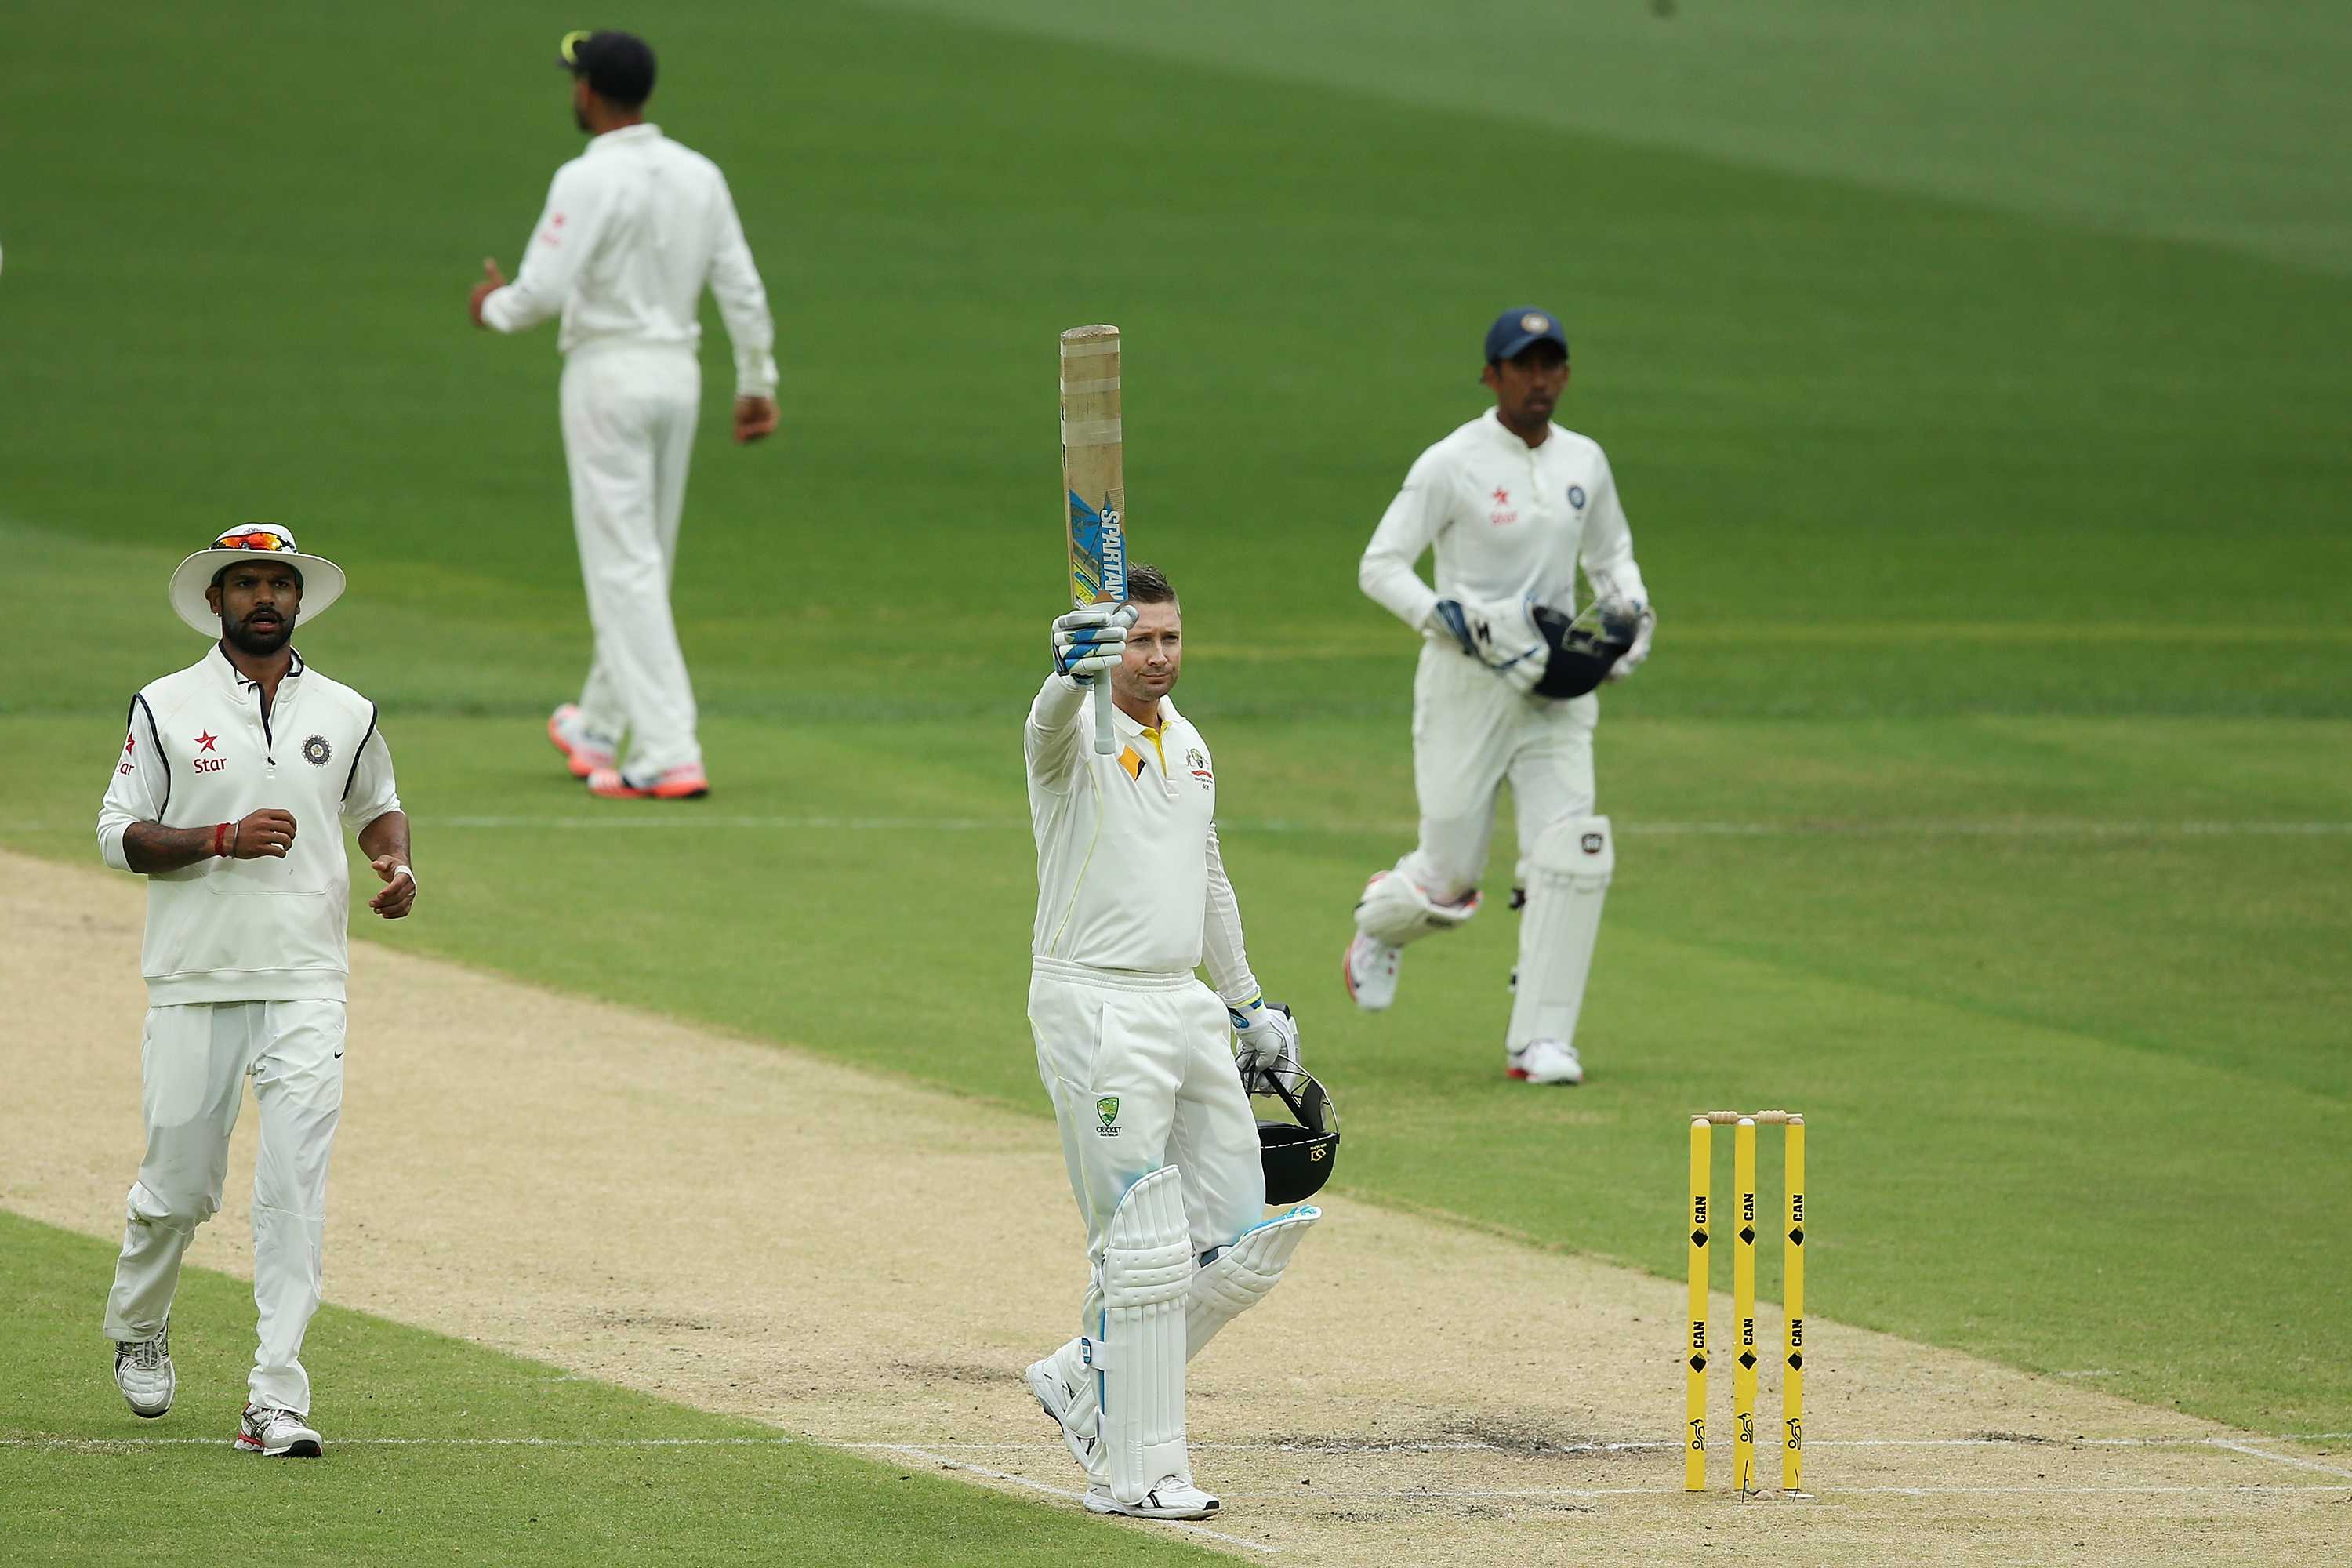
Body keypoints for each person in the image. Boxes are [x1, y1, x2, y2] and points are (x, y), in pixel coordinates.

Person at [96, 524, 415, 1457]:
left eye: (279, 582)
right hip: (195, 978)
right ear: (215, 601)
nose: (264, 597)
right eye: (247, 585)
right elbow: (118, 834)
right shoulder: (164, 704)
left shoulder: (348, 710)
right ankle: (140, 1319)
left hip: (308, 980)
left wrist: (394, 859)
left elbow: (376, 803)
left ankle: (274, 1395)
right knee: (179, 1190)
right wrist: (218, 839)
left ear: (299, 599)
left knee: (293, 1188)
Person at [1020, 564, 1319, 1523]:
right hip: (1096, 1004)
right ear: (1112, 648)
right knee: (1139, 1247)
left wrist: (1248, 1005)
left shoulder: (1188, 742)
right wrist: (1068, 673)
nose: (1160, 657)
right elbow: (1044, 728)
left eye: (1171, 638)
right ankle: (1135, 1471)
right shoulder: (1073, 741)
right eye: (1141, 640)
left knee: (1242, 1238)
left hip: (1183, 1002)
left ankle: (1083, 1371)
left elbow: (1211, 874)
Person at [1343, 307, 1657, 1087]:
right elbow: (1380, 564)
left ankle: (1541, 1039)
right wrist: (1440, 616)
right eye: (1524, 365)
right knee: (1449, 874)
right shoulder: (1453, 462)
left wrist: (1629, 625)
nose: (1540, 378)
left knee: (1571, 852)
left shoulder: (1586, 460)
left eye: (1552, 364)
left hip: (1554, 687)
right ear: (1493, 375)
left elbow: (1612, 560)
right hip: (1465, 684)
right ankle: (1381, 923)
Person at [468, 28, 779, 800]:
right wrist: (757, 378)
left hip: (608, 375)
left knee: (625, 565)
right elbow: (738, 281)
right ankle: (598, 724)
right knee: (645, 559)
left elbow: (539, 292)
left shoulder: (585, 177)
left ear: (589, 92)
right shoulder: (698, 174)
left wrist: (492, 309)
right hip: (679, 375)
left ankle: (671, 750)